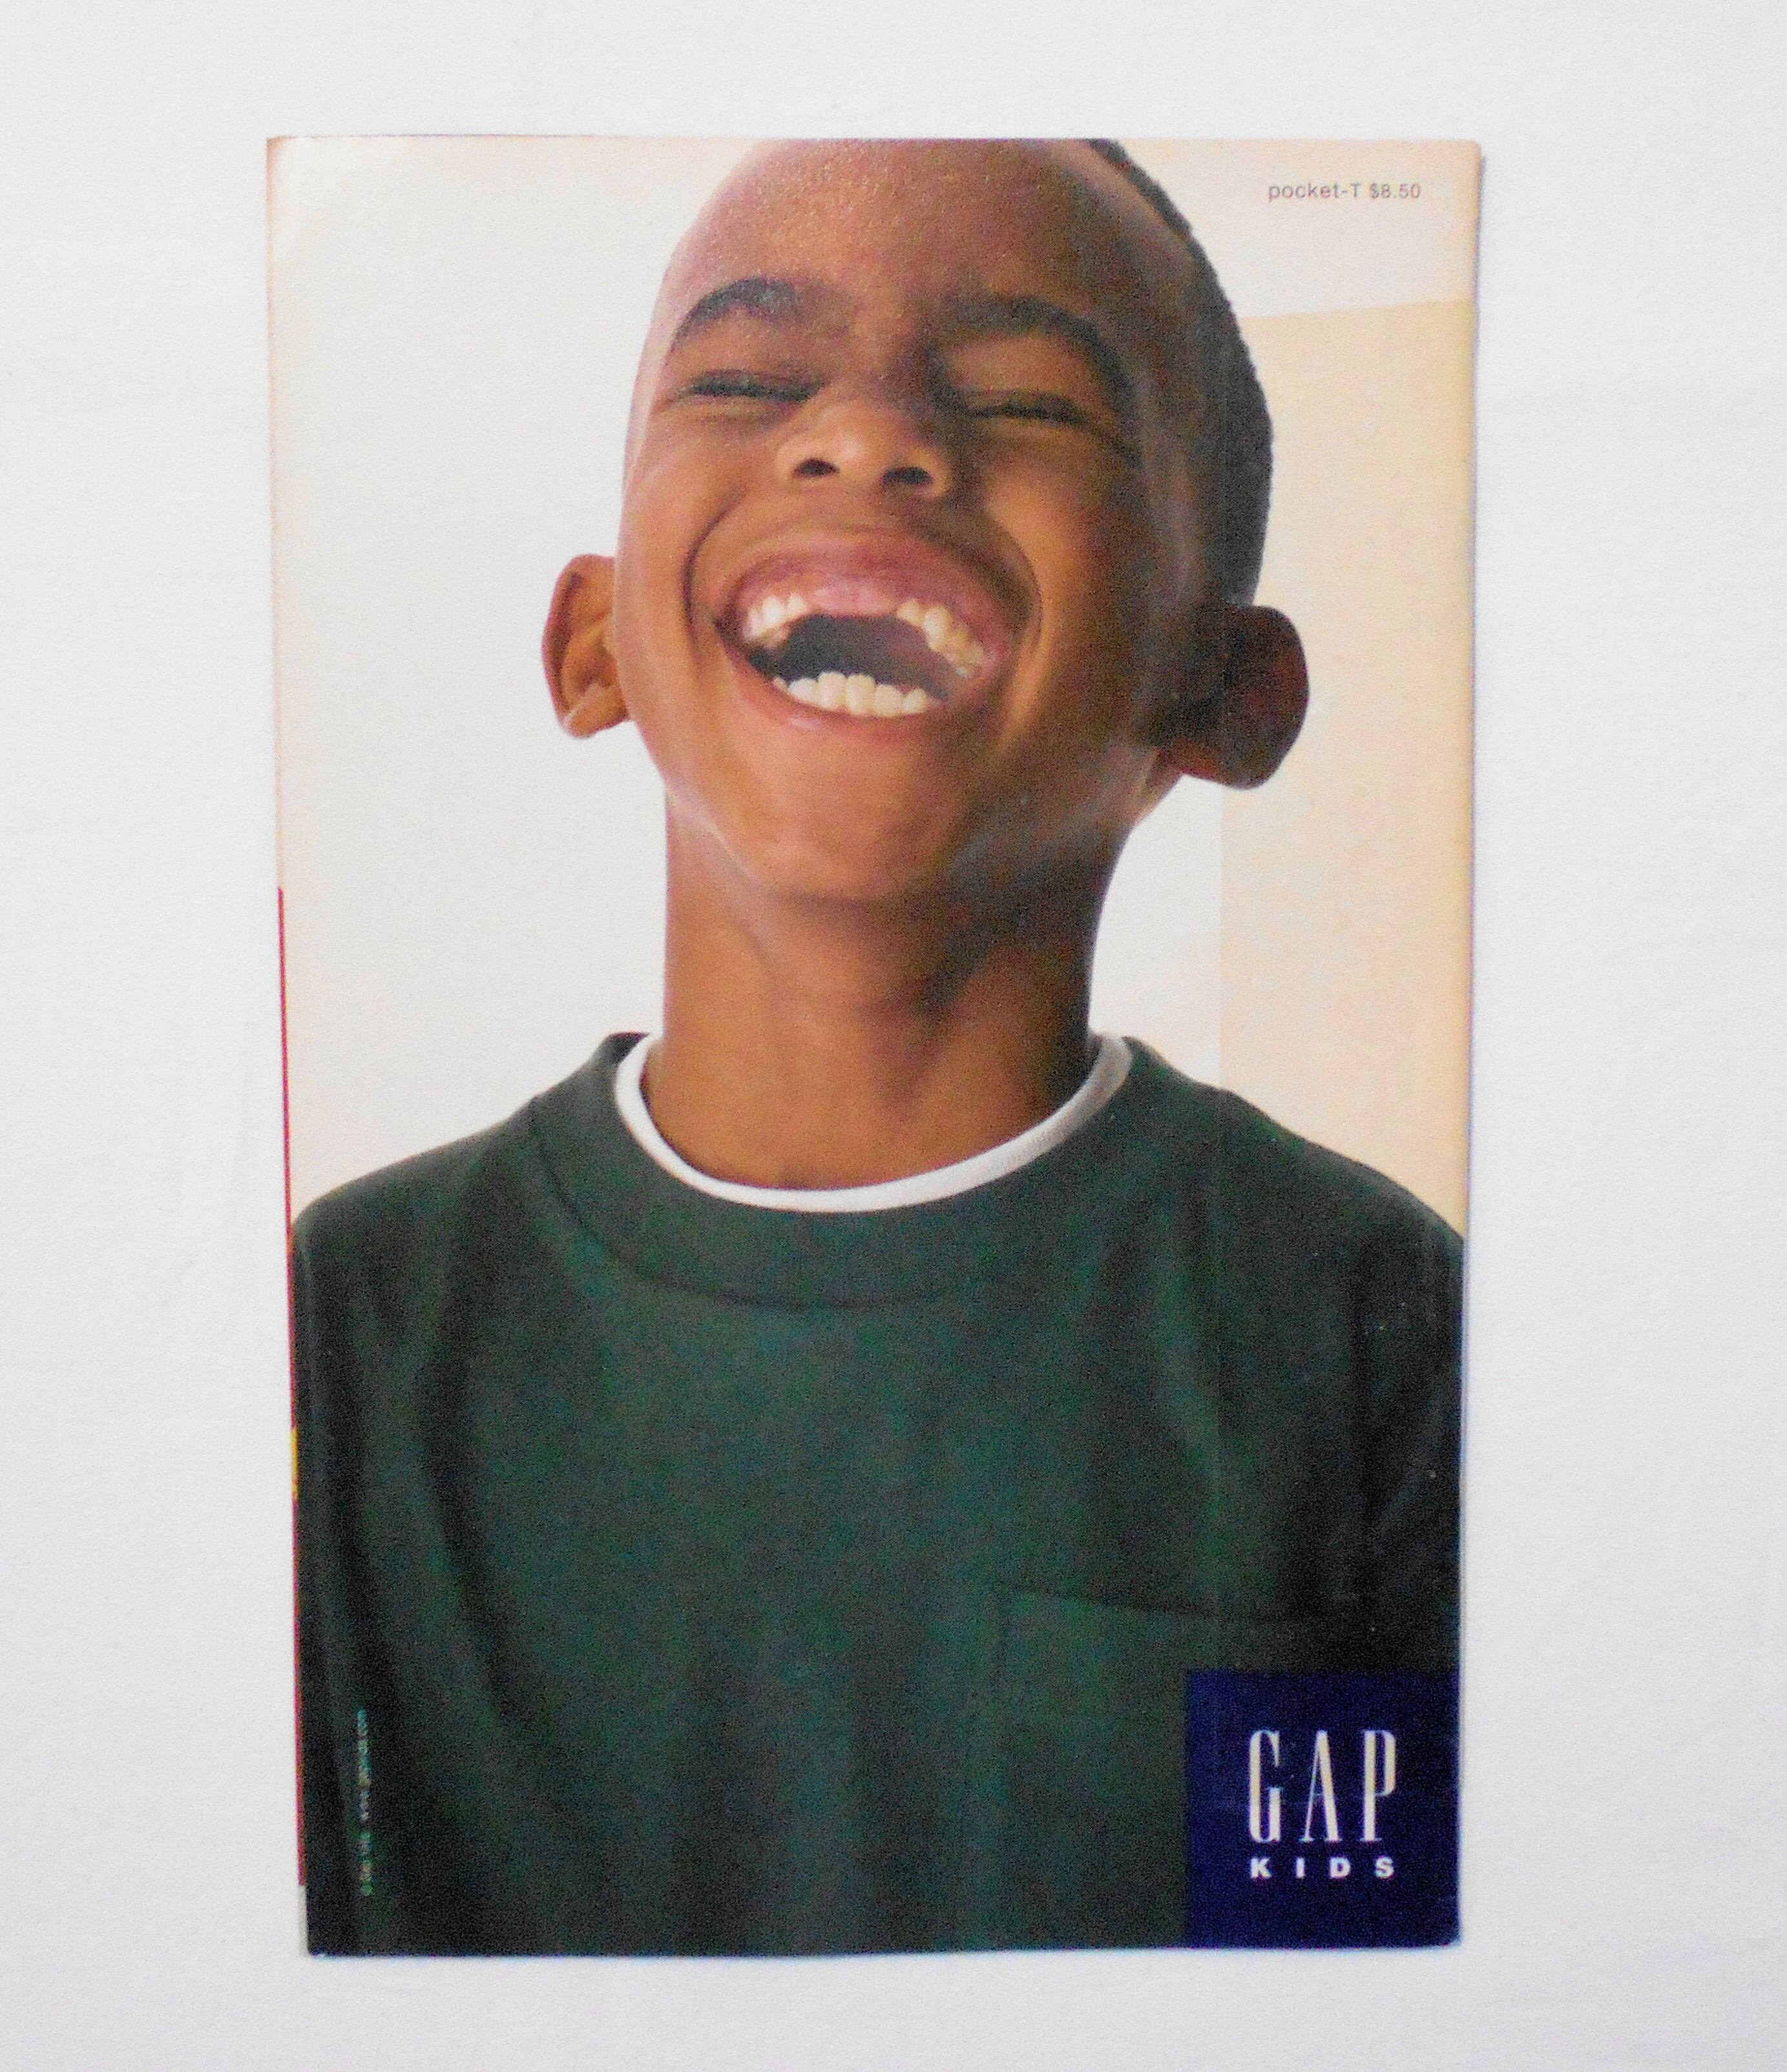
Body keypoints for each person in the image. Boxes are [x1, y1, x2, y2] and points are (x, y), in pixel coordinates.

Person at [293, 138, 1461, 1958]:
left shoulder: (1386, 1338)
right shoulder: (331, 1339)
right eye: (750, 381)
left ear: (1225, 692)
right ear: (595, 643)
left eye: (1030, 402)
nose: (864, 435)